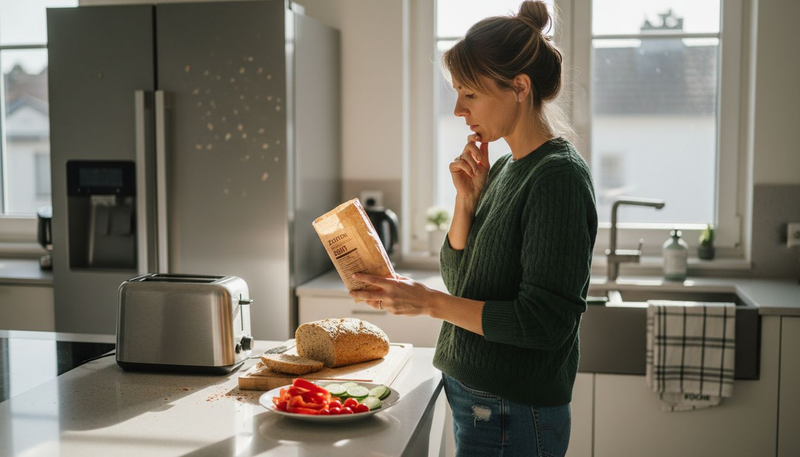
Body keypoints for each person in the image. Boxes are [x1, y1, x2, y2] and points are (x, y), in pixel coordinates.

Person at [349, 1, 597, 455]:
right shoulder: (506, 168)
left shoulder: (557, 178)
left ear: (519, 87)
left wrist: (427, 303)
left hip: (512, 409)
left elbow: (544, 323)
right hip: (478, 397)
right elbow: (459, 275)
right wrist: (466, 201)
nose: (459, 109)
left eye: (470, 93)